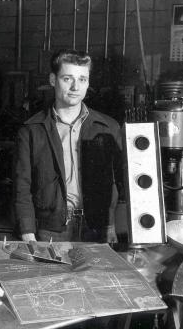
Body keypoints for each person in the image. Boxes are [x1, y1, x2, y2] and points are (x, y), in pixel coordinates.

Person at [15, 49, 122, 243]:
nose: (75, 87)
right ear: (53, 80)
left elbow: (115, 183)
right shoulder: (31, 130)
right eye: (67, 79)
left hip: (96, 228)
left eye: (82, 79)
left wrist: (111, 223)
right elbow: (22, 186)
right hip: (50, 230)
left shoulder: (108, 128)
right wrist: (27, 231)